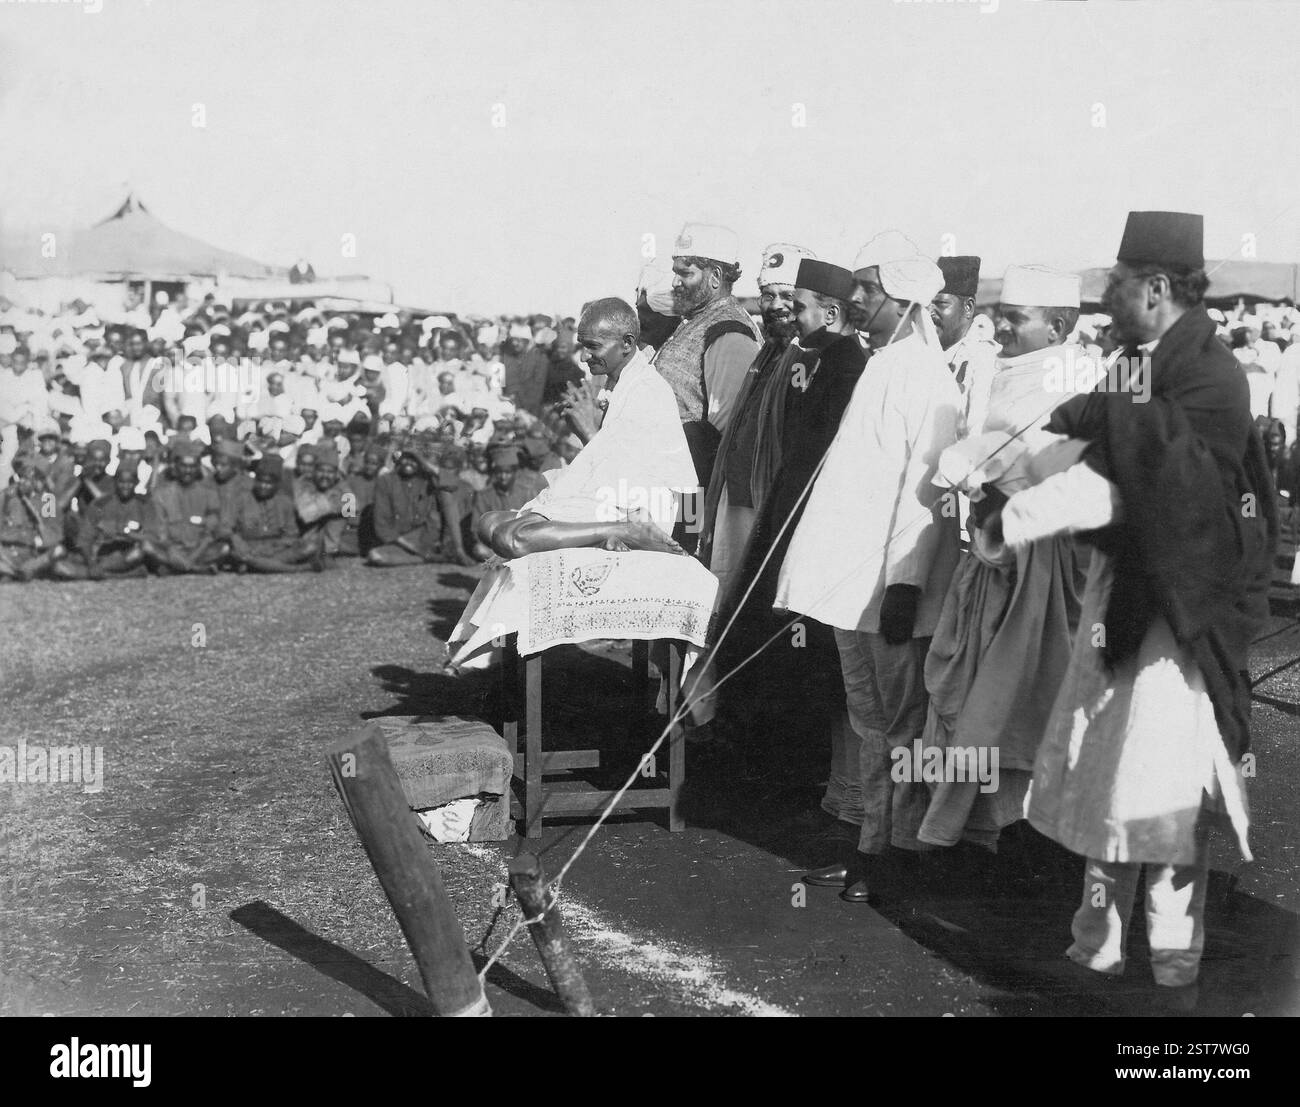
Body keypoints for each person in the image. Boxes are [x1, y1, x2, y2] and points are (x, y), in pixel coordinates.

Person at [997, 211, 1276, 1008]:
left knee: (1163, 797)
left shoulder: (1214, 376)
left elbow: (1171, 490)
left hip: (1179, 624)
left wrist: (1088, 434)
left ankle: (1175, 973)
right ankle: (1096, 950)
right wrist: (1045, 434)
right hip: (1124, 601)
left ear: (1155, 288)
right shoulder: (1140, 361)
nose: (1106, 296)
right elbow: (1090, 418)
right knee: (1102, 778)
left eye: (1116, 283)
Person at [781, 233, 962, 903]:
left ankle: (901, 858)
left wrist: (907, 583)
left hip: (891, 588)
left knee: (904, 723)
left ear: (901, 298)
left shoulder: (924, 375)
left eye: (867, 289)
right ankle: (869, 845)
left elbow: (926, 491)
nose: (855, 300)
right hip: (852, 584)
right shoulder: (884, 364)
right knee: (869, 721)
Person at [916, 265, 1099, 862]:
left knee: (1019, 701)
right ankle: (983, 831)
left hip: (1042, 566)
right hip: (994, 559)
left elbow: (1036, 466)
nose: (1003, 329)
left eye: (1017, 320)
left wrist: (975, 471)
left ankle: (1025, 837)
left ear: (1061, 325)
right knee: (979, 695)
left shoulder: (1076, 378)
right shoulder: (1010, 372)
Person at [478, 298, 698, 558]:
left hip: (636, 506)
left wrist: (588, 432)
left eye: (593, 347)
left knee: (510, 538)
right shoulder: (618, 382)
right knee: (489, 522)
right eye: (582, 346)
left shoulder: (646, 390)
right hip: (610, 494)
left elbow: (651, 480)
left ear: (627, 343)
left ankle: (626, 532)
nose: (583, 357)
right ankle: (607, 533)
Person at [699, 243, 815, 604]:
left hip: (770, 504)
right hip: (737, 497)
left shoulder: (811, 358)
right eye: (767, 295)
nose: (776, 305)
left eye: (786, 295)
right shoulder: (766, 353)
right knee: (729, 593)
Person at [652, 223, 761, 498]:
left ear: (715, 276)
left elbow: (725, 435)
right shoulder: (698, 317)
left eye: (685, 273)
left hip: (687, 492)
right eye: (675, 273)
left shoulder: (730, 332)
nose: (675, 283)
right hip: (666, 480)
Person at [368, 442, 464, 566]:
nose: (408, 462)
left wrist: (422, 461)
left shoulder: (427, 479)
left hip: (423, 536)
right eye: (405, 458)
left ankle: (431, 553)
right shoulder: (386, 481)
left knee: (446, 494)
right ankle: (427, 557)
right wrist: (409, 545)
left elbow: (451, 484)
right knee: (375, 556)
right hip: (398, 540)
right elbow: (382, 524)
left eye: (413, 459)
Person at [226, 454, 323, 573]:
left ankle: (256, 565)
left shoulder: (285, 502)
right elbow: (227, 528)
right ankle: (300, 568)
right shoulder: (241, 499)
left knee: (309, 547)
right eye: (260, 481)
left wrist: (271, 548)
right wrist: (237, 541)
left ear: (277, 485)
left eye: (269, 483)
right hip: (247, 547)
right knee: (234, 552)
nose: (263, 486)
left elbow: (291, 534)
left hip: (276, 548)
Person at [151, 437, 229, 572]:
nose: (188, 471)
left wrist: (193, 556)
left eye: (192, 466)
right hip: (171, 549)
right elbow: (160, 531)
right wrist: (172, 550)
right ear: (175, 466)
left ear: (198, 468)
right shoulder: (161, 493)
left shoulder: (209, 493)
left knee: (224, 549)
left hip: (199, 549)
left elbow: (210, 532)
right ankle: (196, 569)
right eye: (183, 466)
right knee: (147, 547)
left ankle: (177, 567)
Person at [80, 462, 158, 579]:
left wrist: (128, 534)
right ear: (114, 482)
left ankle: (102, 572)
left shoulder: (145, 505)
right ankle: (126, 574)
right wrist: (91, 563)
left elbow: (154, 537)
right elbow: (84, 538)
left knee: (139, 553)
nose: (125, 486)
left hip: (131, 555)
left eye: (130, 482)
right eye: (121, 482)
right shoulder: (100, 504)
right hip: (105, 556)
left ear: (136, 482)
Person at [0, 455, 68, 580]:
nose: (22, 481)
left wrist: (32, 539)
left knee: (58, 551)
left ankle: (20, 571)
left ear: (40, 481)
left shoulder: (47, 501)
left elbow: (53, 535)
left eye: (29, 478)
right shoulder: (8, 495)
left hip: (31, 552)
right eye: (22, 477)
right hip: (5, 550)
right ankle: (15, 572)